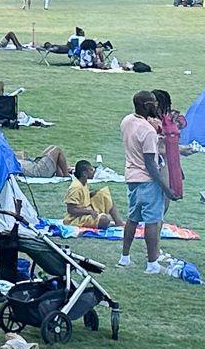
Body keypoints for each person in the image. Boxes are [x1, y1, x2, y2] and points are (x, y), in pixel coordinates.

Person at [119, 90, 172, 275]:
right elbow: (151, 164)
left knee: (132, 219)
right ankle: (152, 263)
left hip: (132, 178)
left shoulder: (126, 121)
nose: (156, 106)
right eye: (154, 103)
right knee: (152, 221)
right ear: (147, 105)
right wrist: (166, 187)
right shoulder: (148, 131)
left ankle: (124, 257)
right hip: (148, 181)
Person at [64, 160, 119, 229]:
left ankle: (118, 222)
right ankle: (104, 223)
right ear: (84, 173)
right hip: (76, 218)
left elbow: (81, 198)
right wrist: (89, 212)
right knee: (104, 219)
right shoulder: (75, 187)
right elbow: (71, 210)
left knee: (105, 195)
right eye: (91, 170)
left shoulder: (83, 183)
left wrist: (91, 195)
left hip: (87, 210)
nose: (93, 171)